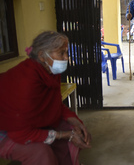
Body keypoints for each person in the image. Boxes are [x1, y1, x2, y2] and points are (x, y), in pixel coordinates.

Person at [0, 31, 91, 165]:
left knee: (78, 132)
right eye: (61, 53)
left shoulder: (50, 73)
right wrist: (67, 135)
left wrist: (77, 123)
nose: (66, 57)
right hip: (9, 129)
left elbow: (55, 106)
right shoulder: (26, 82)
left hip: (29, 124)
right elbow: (21, 133)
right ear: (42, 56)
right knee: (40, 153)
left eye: (66, 52)